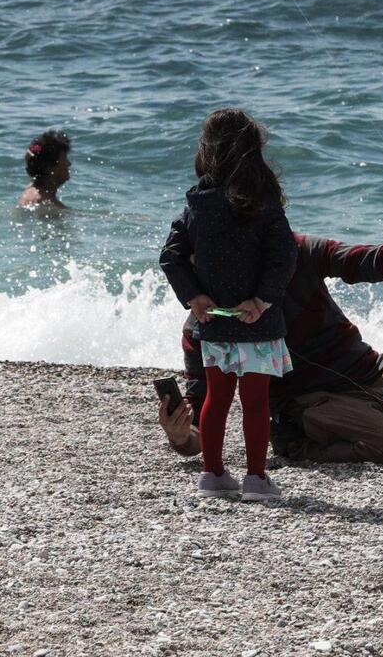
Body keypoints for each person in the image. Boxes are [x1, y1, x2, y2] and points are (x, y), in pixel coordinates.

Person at [156, 219, 383, 465]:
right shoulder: (203, 327)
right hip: (308, 404)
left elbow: (366, 261)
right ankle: (298, 444)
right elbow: (198, 429)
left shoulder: (291, 252)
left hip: (374, 374)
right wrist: (180, 436)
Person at [159, 109, 297, 502]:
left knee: (217, 399)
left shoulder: (197, 205)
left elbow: (170, 256)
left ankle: (213, 474)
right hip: (257, 321)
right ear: (254, 152)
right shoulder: (265, 204)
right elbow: (284, 256)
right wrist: (262, 299)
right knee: (255, 401)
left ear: (207, 152)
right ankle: (255, 479)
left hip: (215, 320)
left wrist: (194, 297)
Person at [17, 129, 72, 212]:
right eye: (64, 159)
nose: (69, 164)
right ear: (50, 168)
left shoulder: (31, 191)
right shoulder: (47, 204)